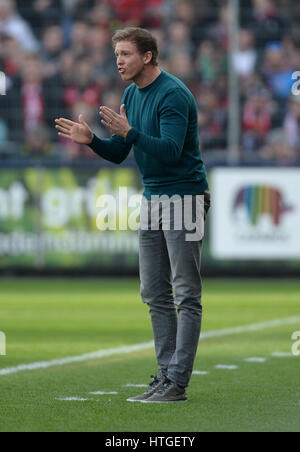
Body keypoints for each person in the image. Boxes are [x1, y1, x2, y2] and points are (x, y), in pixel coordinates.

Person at [55, 26, 210, 403]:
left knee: (186, 293)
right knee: (154, 291)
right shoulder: (130, 93)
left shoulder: (172, 93)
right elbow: (122, 151)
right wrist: (93, 141)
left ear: (148, 56)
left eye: (125, 54)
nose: (119, 61)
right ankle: (165, 375)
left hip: (184, 198)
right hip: (153, 198)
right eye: (116, 55)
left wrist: (131, 132)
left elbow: (171, 151)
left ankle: (177, 382)